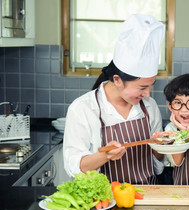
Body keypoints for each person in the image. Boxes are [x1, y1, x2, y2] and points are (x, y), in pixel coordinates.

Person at [63, 14, 166, 184]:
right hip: (104, 201)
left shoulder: (150, 106)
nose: (147, 94)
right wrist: (104, 155)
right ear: (117, 80)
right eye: (142, 88)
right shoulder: (83, 108)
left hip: (148, 199)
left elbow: (157, 167)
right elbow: (75, 168)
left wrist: (160, 148)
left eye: (151, 85)